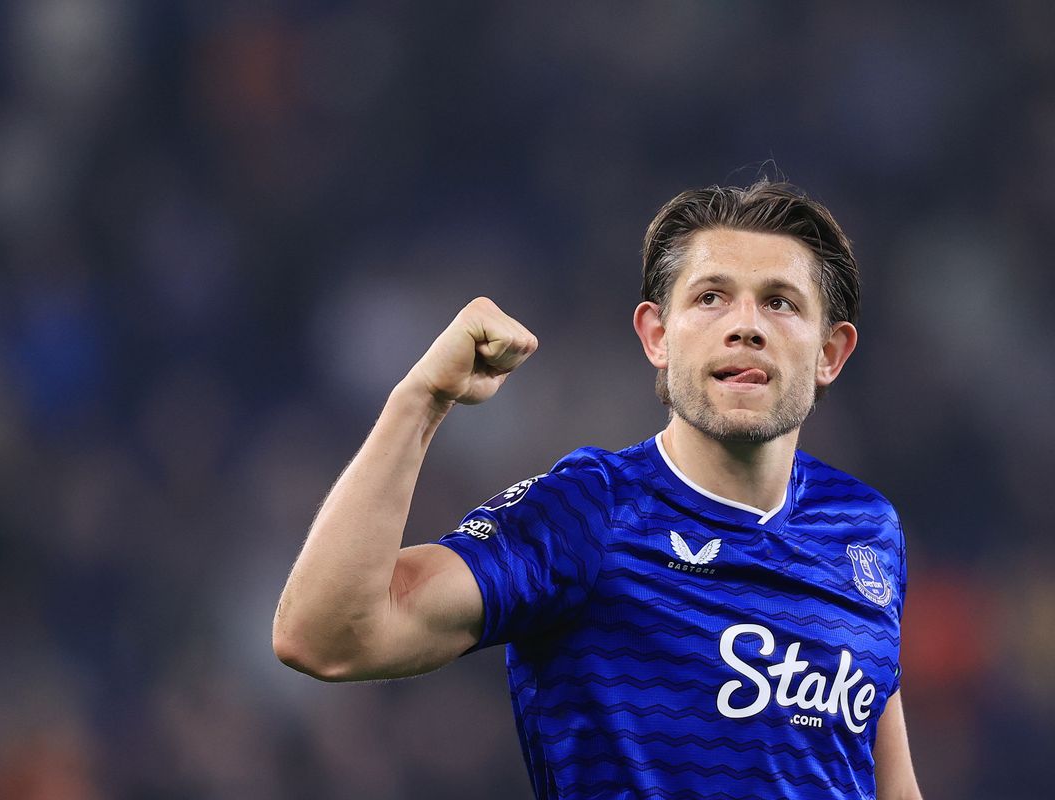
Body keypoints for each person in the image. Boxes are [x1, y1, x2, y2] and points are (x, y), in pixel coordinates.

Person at [272, 180, 923, 800]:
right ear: (657, 336)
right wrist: (420, 401)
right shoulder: (590, 512)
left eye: (780, 301)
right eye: (711, 297)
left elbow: (890, 786)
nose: (746, 324)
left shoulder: (864, 527)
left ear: (830, 353)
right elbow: (325, 636)